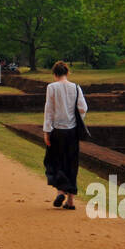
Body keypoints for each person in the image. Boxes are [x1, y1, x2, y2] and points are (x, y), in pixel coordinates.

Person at [43, 61, 88, 210]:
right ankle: (70, 201)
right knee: (71, 163)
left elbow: (49, 110)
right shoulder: (75, 87)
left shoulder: (52, 87)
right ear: (67, 72)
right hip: (72, 131)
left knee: (55, 161)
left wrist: (46, 131)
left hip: (57, 130)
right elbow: (83, 108)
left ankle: (60, 191)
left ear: (55, 74)